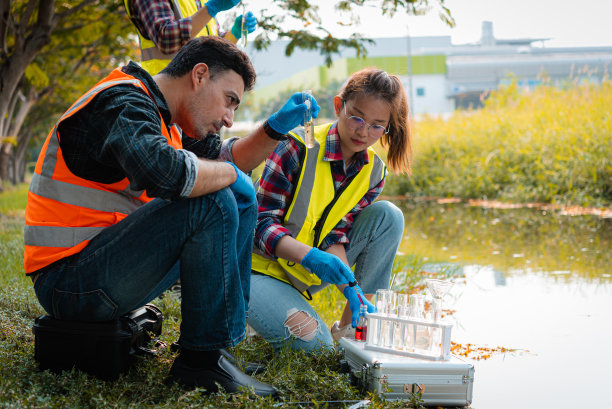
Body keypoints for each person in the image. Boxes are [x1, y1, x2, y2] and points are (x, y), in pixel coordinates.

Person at [24, 36, 318, 396]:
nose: (229, 118)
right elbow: (165, 172)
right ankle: (200, 362)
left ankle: (218, 349)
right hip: (69, 284)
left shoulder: (169, 122)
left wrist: (274, 129)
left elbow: (224, 162)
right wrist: (230, 176)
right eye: (230, 101)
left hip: (99, 272)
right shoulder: (123, 100)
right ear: (199, 75)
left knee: (238, 199)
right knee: (213, 200)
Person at [248, 68, 412, 353]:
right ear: (339, 106)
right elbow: (260, 224)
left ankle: (353, 329)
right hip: (257, 271)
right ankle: (262, 313)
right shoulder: (296, 146)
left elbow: (336, 233)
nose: (363, 131)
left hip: (305, 272)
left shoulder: (374, 172)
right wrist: (310, 257)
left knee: (389, 216)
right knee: (317, 349)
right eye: (357, 118)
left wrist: (351, 288)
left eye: (376, 125)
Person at [124, 0, 257, 75]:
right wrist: (211, 8)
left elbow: (212, 48)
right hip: (166, 93)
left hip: (200, 91)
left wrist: (235, 33)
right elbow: (165, 38)